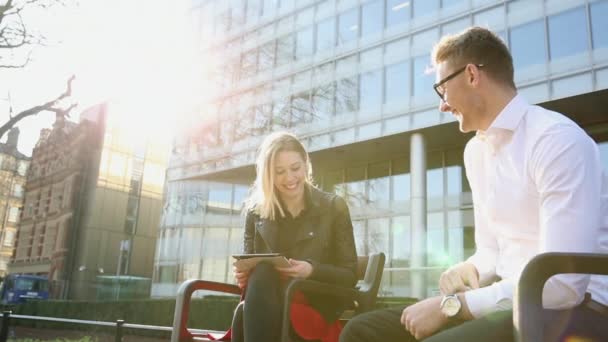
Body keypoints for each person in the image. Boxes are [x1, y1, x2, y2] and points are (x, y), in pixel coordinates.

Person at [340, 26, 608, 342]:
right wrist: (468, 270)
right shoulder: (476, 152)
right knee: (362, 331)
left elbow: (561, 286)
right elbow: (491, 250)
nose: (442, 104)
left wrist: (453, 306)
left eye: (441, 87)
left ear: (470, 75)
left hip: (576, 309)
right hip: (510, 302)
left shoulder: (555, 140)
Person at [231, 131, 358, 342]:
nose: (289, 178)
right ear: (269, 175)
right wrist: (243, 276)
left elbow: (350, 274)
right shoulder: (256, 213)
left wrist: (312, 269)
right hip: (267, 299)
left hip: (314, 299)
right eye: (279, 171)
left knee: (245, 310)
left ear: (306, 165)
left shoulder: (334, 207)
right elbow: (250, 267)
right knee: (261, 272)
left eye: (295, 168)